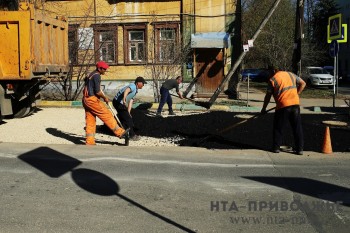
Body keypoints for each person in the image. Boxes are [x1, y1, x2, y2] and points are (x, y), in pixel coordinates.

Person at [261, 66, 306, 155]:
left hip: (283, 106)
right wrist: (297, 94)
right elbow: (303, 83)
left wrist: (264, 109)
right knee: (297, 128)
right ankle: (300, 149)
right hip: (295, 104)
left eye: (269, 72)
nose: (269, 74)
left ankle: (276, 148)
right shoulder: (291, 74)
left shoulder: (273, 79)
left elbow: (268, 96)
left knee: (278, 127)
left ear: (274, 70)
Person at [82, 61, 129, 145]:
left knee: (90, 121)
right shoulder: (96, 76)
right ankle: (120, 132)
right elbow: (97, 91)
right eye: (104, 69)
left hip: (86, 100)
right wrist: (105, 98)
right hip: (92, 100)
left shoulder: (92, 74)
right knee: (107, 115)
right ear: (99, 68)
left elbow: (88, 83)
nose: (105, 70)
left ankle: (90, 141)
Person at [113, 76, 147, 141]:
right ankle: (132, 135)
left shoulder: (135, 91)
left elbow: (131, 101)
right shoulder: (133, 86)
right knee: (128, 120)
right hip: (118, 102)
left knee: (126, 117)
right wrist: (124, 98)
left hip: (119, 103)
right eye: (143, 83)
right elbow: (127, 90)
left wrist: (128, 112)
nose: (143, 85)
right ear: (138, 83)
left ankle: (122, 133)